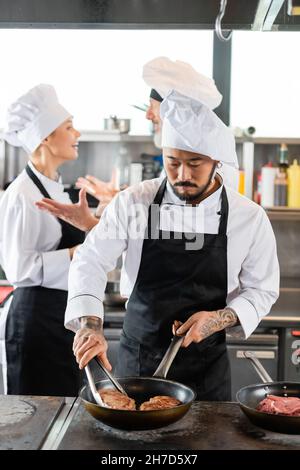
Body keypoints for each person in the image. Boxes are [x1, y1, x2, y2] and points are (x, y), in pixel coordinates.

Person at [65, 88, 279, 401]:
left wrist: (220, 318)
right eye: (173, 162)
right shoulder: (134, 203)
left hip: (207, 370)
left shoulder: (248, 217)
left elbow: (262, 290)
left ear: (216, 161)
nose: (182, 175)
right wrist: (90, 324)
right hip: (136, 364)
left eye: (195, 164)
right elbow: (91, 260)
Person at [36, 57, 239, 230]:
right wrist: (121, 200)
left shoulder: (207, 171)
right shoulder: (192, 160)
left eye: (153, 107)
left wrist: (91, 222)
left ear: (176, 113)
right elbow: (157, 214)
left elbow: (171, 233)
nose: (148, 115)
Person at [0, 84, 85, 396]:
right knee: (34, 418)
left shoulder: (53, 187)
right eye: (69, 127)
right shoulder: (22, 194)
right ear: (46, 138)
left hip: (59, 317)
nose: (77, 134)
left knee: (63, 411)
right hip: (34, 320)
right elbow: (19, 269)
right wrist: (75, 254)